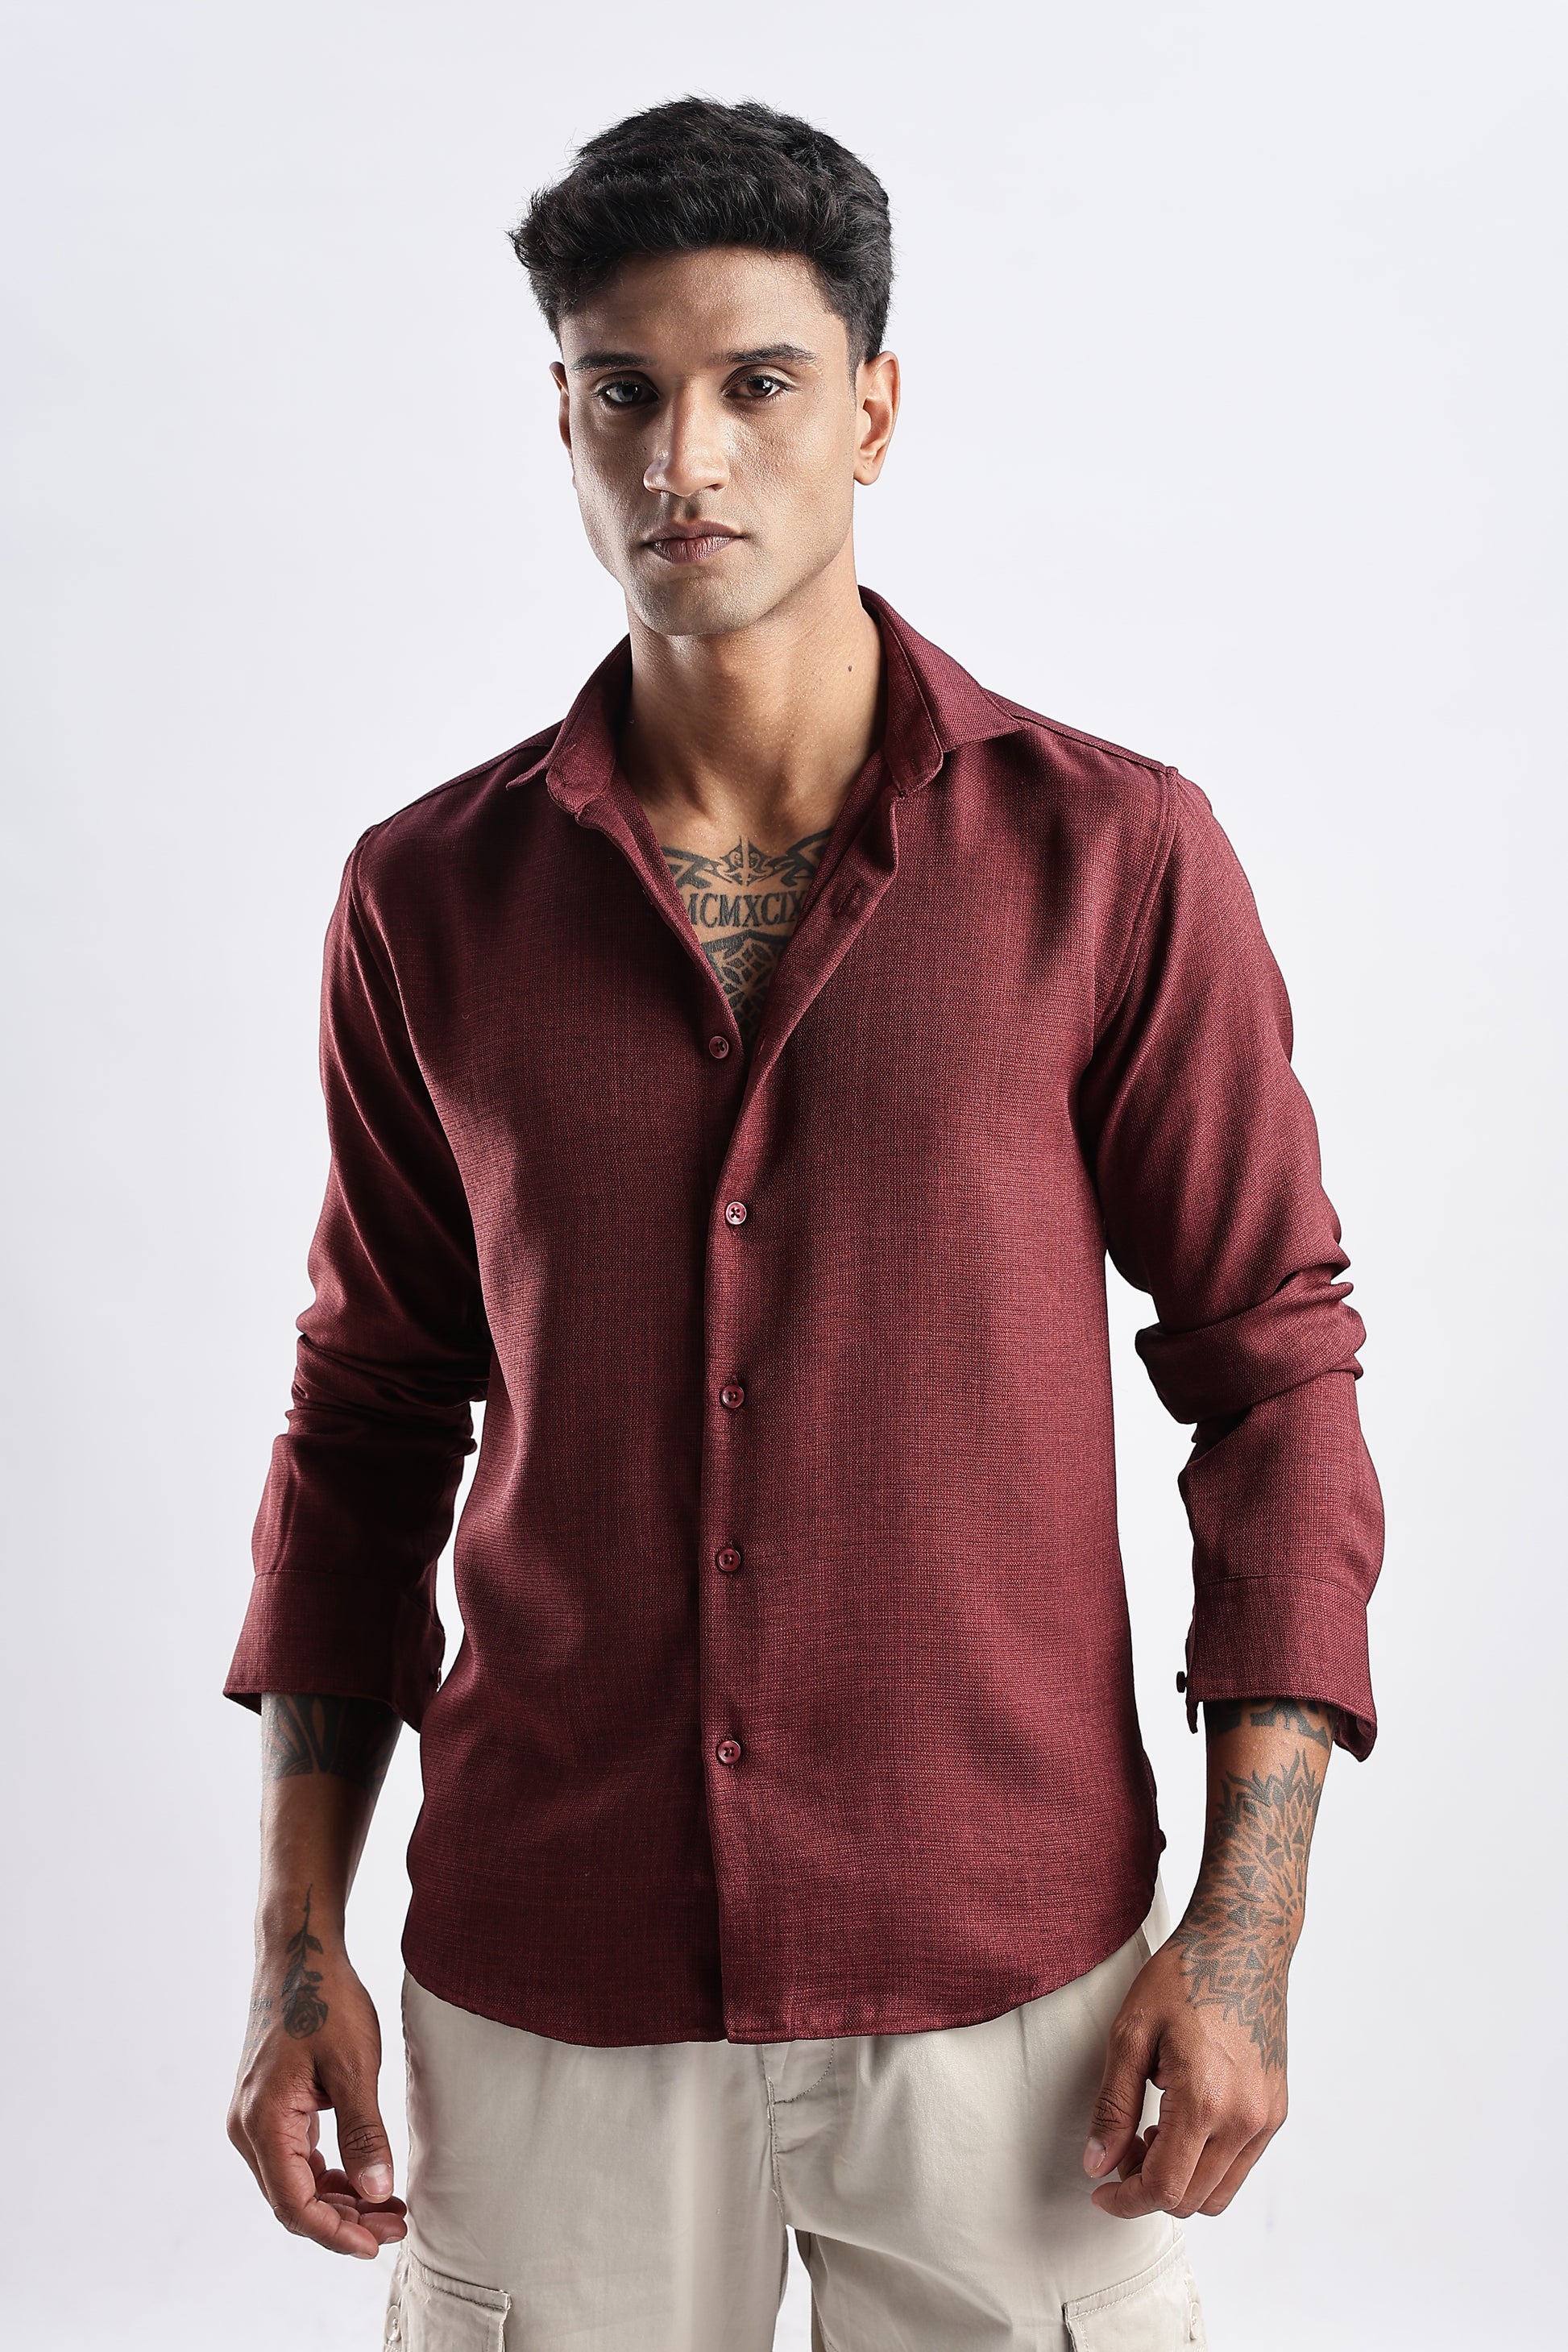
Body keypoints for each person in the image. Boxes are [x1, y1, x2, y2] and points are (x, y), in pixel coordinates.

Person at [224, 96, 1383, 2352]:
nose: (685, 458)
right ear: (560, 419)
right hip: (552, 1978)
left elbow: (1274, 1374)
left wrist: (1244, 1938)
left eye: (755, 383)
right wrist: (294, 1950)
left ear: (871, 408)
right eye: (621, 392)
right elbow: (365, 1421)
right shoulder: (424, 900)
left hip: (1009, 1988)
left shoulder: (1113, 861)